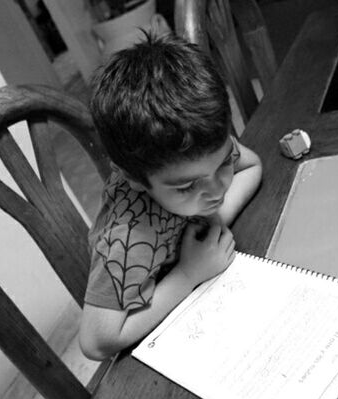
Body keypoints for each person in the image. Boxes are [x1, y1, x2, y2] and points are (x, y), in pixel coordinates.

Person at [79, 33, 262, 359]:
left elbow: (252, 166)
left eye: (222, 165)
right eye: (187, 186)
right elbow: (96, 342)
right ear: (135, 179)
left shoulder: (201, 149)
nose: (218, 189)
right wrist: (189, 274)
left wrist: (215, 219)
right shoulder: (126, 237)